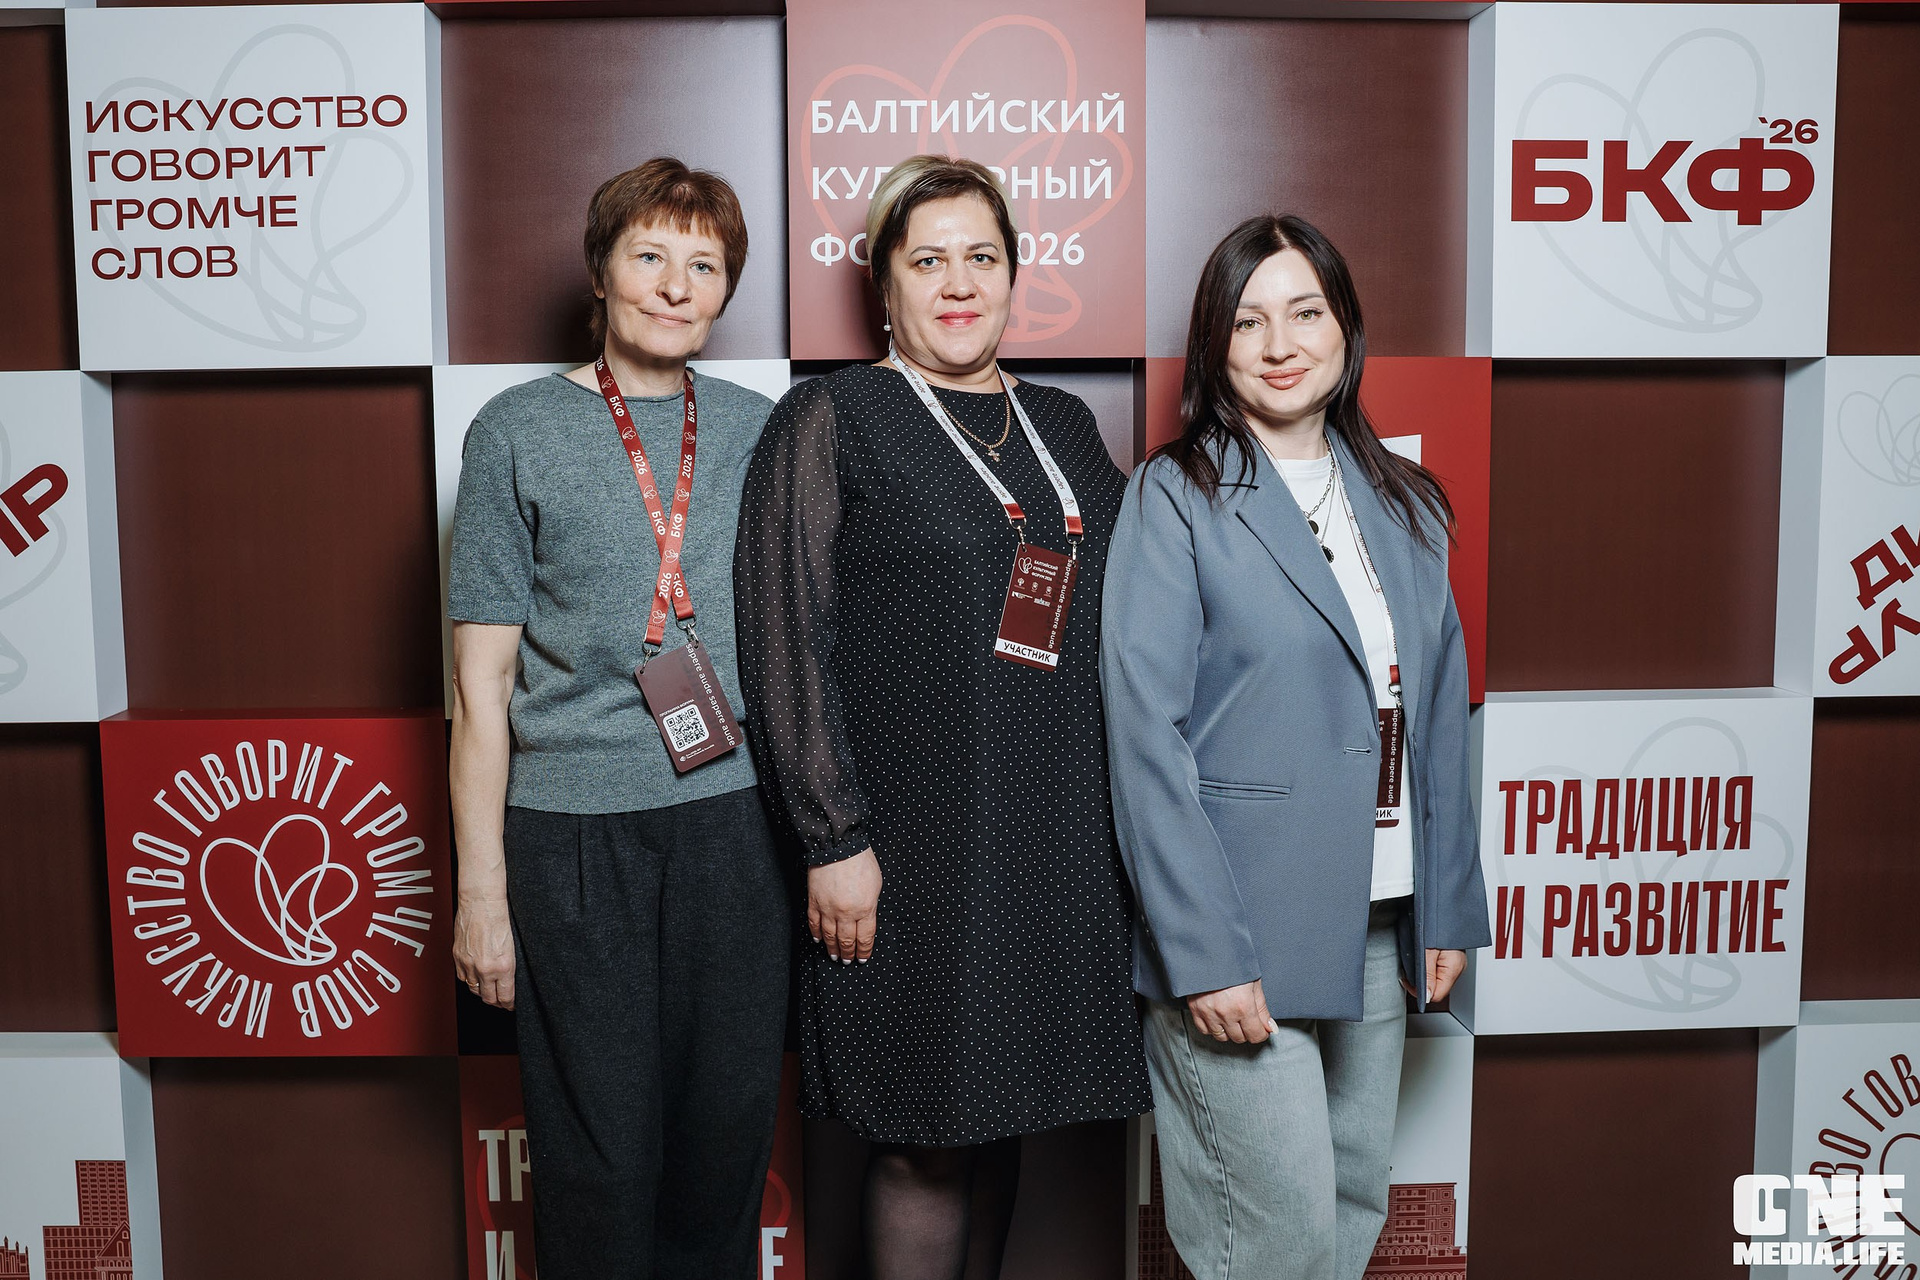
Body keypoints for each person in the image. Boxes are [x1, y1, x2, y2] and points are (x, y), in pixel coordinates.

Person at [734, 154, 1151, 1279]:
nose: (958, 283)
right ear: (884, 283)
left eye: (981, 257)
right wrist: (833, 839)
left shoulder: (1062, 422)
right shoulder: (833, 415)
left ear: (1015, 274)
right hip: (909, 844)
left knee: (999, 1117)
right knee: (925, 1137)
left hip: (1053, 835)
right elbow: (783, 636)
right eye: (927, 260)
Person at [1101, 214, 1492, 1280]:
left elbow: (1438, 718)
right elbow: (1144, 740)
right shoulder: (1176, 496)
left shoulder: (1408, 504)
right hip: (1242, 929)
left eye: (1305, 312)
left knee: (1348, 1214)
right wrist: (1204, 952)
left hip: (1382, 918)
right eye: (1248, 320)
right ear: (1214, 345)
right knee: (1274, 1246)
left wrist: (1446, 906)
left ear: (1346, 327)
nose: (1280, 343)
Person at [446, 157, 786, 1280]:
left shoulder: (761, 428)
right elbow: (480, 688)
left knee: (723, 1148)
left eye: (705, 265)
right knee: (597, 1156)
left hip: (735, 830)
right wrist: (483, 898)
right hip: (573, 838)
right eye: (650, 256)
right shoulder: (514, 430)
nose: (676, 286)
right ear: (600, 271)